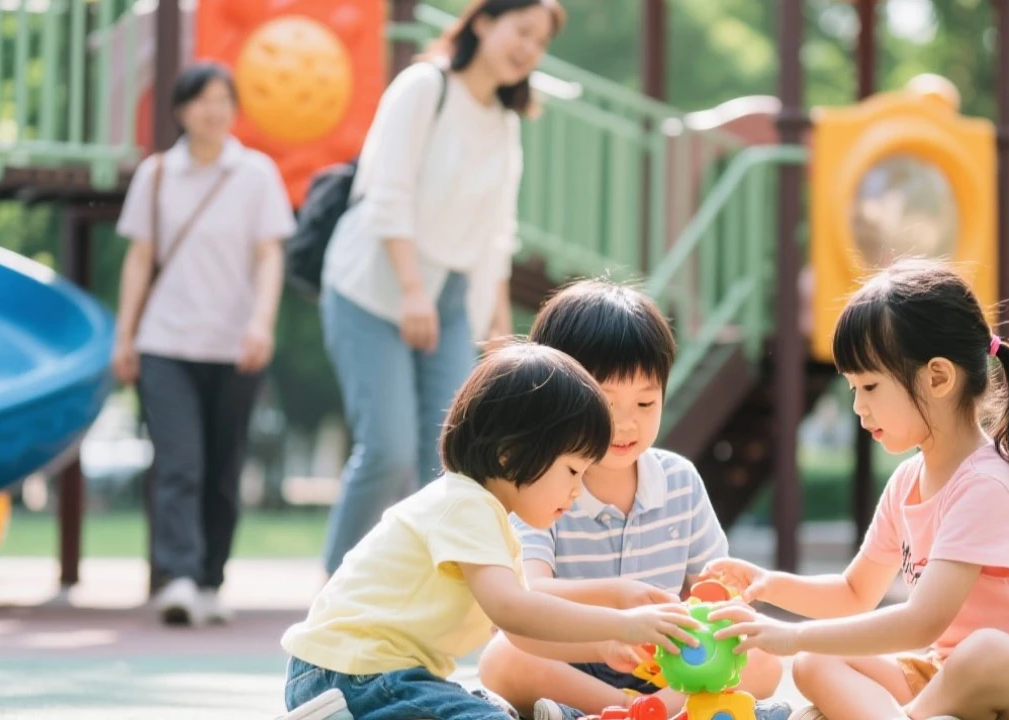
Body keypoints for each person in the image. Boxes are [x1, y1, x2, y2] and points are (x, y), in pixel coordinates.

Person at [702, 259, 1009, 720]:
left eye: (870, 386)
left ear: (937, 377)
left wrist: (790, 634)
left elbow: (922, 622)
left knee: (986, 654)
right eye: (853, 389)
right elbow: (854, 591)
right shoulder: (906, 483)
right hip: (943, 681)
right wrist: (767, 586)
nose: (859, 407)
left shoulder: (988, 486)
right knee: (816, 660)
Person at [280, 343, 700, 720]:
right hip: (351, 675)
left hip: (380, 674)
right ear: (510, 453)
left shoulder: (488, 517)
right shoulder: (467, 505)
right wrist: (620, 625)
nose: (575, 491)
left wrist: (603, 648)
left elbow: (521, 633)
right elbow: (512, 610)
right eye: (572, 470)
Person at [318, 0, 565, 576]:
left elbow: (495, 237)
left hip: (452, 300)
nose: (527, 48)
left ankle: (423, 595)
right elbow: (387, 194)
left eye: (539, 42)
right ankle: (336, 589)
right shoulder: (423, 87)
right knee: (387, 449)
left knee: (456, 459)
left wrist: (502, 338)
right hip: (372, 289)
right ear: (482, 21)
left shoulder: (505, 123)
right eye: (520, 30)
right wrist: (410, 290)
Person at [476, 281, 789, 720]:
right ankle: (632, 711)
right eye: (606, 404)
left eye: (645, 402)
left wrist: (714, 617)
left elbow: (712, 589)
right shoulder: (539, 483)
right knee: (503, 656)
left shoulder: (679, 480)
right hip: (572, 654)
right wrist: (617, 600)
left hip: (665, 663)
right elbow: (530, 592)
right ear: (555, 397)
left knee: (763, 659)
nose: (626, 425)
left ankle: (647, 710)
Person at [111, 61, 296, 626]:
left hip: (235, 345)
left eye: (223, 100)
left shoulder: (257, 173)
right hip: (165, 340)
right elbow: (140, 258)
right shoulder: (157, 175)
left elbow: (269, 255)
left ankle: (212, 578)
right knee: (178, 462)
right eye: (201, 100)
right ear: (180, 110)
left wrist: (261, 323)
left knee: (222, 465)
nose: (213, 110)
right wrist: (126, 336)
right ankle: (181, 576)